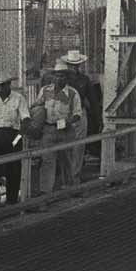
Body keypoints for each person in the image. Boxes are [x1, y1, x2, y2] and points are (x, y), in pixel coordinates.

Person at [0, 71, 30, 205]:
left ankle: (12, 199)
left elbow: (26, 120)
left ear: (9, 84)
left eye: (3, 85)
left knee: (13, 168)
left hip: (13, 134)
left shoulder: (18, 98)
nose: (0, 88)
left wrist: (17, 139)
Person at [40, 60, 87, 191]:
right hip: (48, 129)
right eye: (57, 75)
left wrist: (69, 121)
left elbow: (78, 113)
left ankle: (70, 188)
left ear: (67, 77)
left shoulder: (72, 93)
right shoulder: (45, 91)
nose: (59, 78)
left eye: (62, 75)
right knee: (47, 161)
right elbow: (38, 106)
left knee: (67, 160)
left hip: (65, 131)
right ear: (53, 76)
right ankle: (45, 193)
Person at [60, 49, 104, 158]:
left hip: (76, 114)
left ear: (79, 65)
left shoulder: (84, 79)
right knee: (64, 145)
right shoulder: (62, 79)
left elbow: (93, 101)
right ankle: (69, 173)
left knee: (77, 146)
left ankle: (74, 174)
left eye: (75, 65)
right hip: (64, 114)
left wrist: (99, 118)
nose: (74, 67)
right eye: (72, 65)